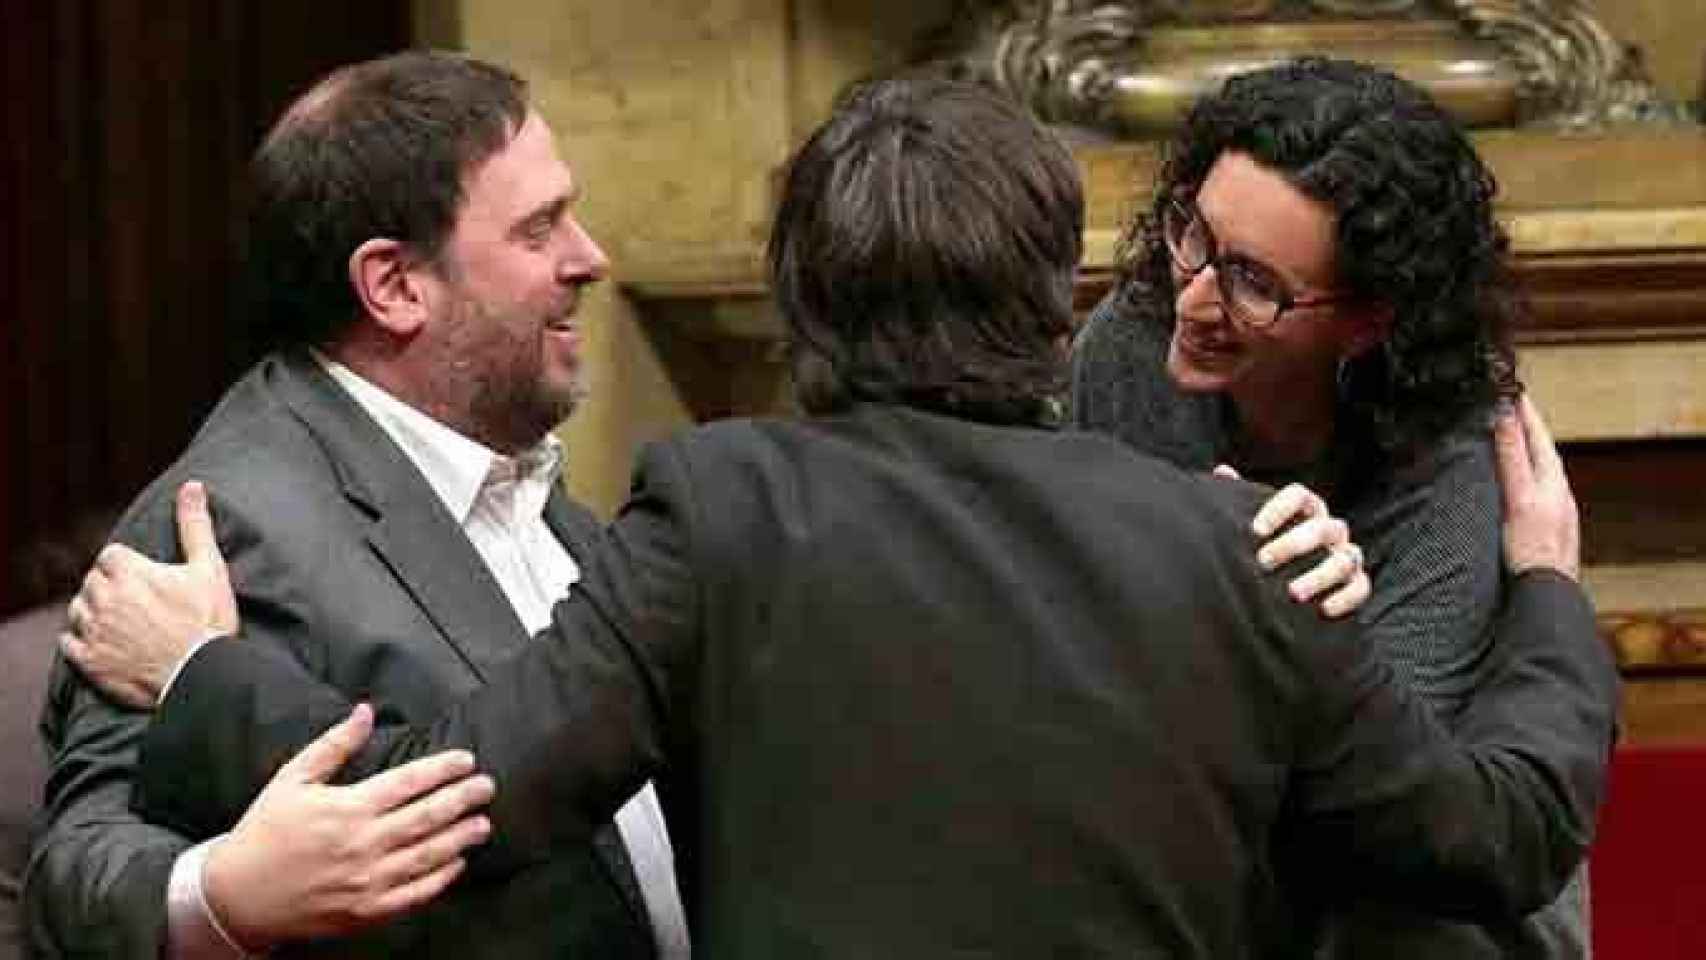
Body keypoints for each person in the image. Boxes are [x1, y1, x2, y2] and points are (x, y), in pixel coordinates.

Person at [62, 76, 1616, 957]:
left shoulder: (717, 503)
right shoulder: (1229, 545)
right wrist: (1546, 591)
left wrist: (209, 680)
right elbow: (1493, 833)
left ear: (802, 297)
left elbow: (457, 800)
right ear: (1045, 296)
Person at [24, 51, 683, 959]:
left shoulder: (514, 467)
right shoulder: (226, 519)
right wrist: (221, 897)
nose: (591, 257)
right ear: (395, 286)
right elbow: (77, 873)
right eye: (540, 229)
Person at [1068, 56, 1584, 956]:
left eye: (1255, 282)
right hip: (1208, 860)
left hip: (1435, 904)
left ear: (1370, 320)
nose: (1194, 297)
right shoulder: (1128, 349)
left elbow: (1385, 797)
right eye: (1192, 233)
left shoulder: (1453, 450)